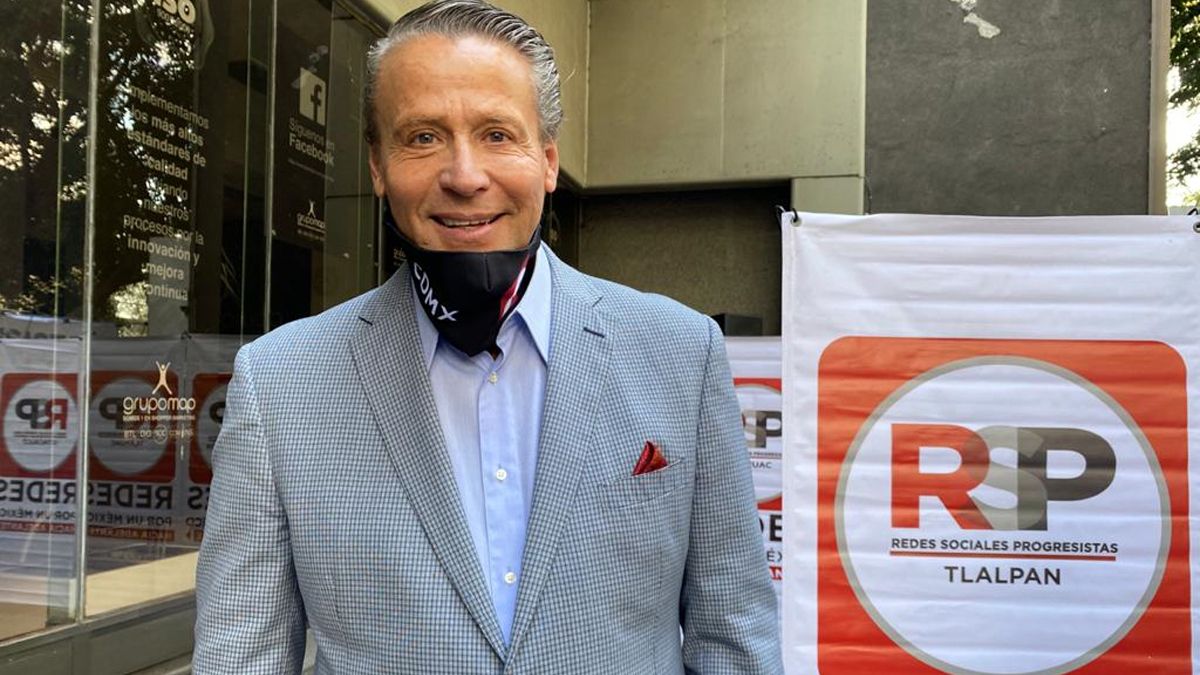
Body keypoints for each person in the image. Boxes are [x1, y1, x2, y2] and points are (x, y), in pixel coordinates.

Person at [193, 1, 780, 672]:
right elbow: (241, 654)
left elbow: (734, 636)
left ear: (548, 160)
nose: (465, 176)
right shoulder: (279, 384)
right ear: (378, 167)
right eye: (423, 137)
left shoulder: (680, 353)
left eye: (498, 134)